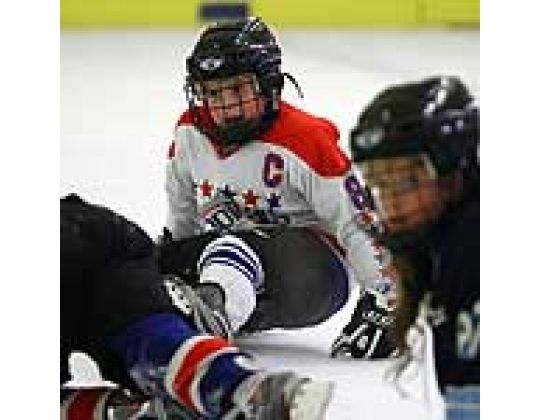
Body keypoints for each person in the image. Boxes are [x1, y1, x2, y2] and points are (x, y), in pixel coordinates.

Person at [160, 16, 396, 360]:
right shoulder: (189, 132)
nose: (226, 108)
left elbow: (356, 222)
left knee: (234, 247)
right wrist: (164, 265)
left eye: (238, 90)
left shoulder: (307, 140)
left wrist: (385, 298)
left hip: (309, 272)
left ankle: (207, 321)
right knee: (137, 259)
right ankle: (205, 312)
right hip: (236, 265)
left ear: (270, 84)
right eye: (213, 93)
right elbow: (182, 219)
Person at [60, 194, 333, 419]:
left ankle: (245, 390)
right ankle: (247, 390)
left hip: (88, 243)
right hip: (95, 233)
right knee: (144, 343)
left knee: (143, 338)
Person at [347, 76, 479, 418]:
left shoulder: (471, 252)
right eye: (378, 184)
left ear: (453, 166)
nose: (392, 204)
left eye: (407, 181)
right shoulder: (449, 241)